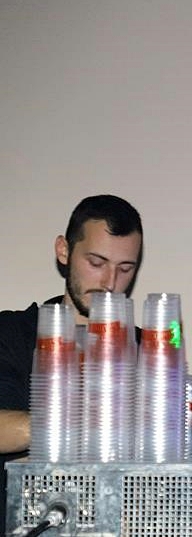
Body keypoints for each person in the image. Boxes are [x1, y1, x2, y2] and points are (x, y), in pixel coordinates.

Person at [0, 194, 143, 478]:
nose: (110, 283)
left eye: (125, 268)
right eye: (97, 263)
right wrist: (78, 424)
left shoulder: (148, 349)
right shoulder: (12, 332)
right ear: (64, 251)